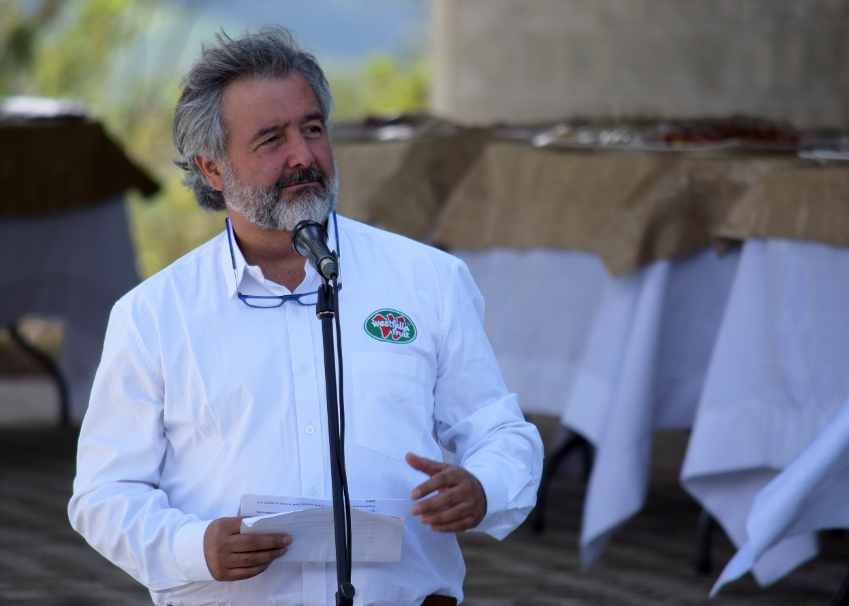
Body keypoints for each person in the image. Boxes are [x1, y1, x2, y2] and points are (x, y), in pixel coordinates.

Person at [69, 25, 543, 606]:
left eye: (313, 129)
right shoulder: (153, 315)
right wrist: (194, 547)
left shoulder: (428, 280)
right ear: (213, 169)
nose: (303, 155)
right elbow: (104, 494)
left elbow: (502, 434)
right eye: (271, 140)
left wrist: (484, 487)